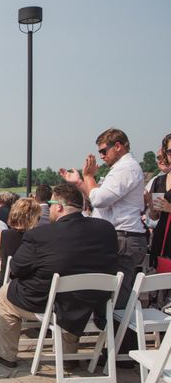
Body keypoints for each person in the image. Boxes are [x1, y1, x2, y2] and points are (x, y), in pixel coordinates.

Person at [0, 184, 118, 368]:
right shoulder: (106, 230)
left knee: (5, 293)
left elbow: (16, 269)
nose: (48, 208)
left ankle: (5, 354)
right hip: (94, 304)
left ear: (58, 206)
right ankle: (67, 357)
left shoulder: (40, 234)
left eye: (50, 203)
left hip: (52, 303)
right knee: (73, 297)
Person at [59, 128, 146, 309]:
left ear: (118, 146)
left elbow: (98, 199)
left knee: (117, 297)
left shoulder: (125, 168)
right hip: (120, 236)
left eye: (104, 151)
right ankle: (114, 332)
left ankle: (120, 335)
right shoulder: (121, 169)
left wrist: (88, 176)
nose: (102, 156)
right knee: (111, 294)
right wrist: (80, 183)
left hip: (124, 237)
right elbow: (97, 197)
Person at [147, 134, 171, 271]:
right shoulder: (158, 181)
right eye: (170, 151)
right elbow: (154, 216)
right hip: (161, 241)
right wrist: (153, 211)